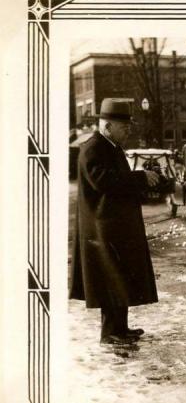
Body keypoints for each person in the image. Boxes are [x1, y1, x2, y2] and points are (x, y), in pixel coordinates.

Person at [69, 98, 161, 345]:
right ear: (107, 126)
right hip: (102, 229)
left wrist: (145, 182)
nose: (128, 130)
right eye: (124, 126)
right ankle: (109, 333)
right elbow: (104, 182)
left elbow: (118, 181)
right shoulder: (93, 148)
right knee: (110, 280)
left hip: (114, 227)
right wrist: (140, 178)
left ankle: (120, 329)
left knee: (119, 278)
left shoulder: (110, 147)